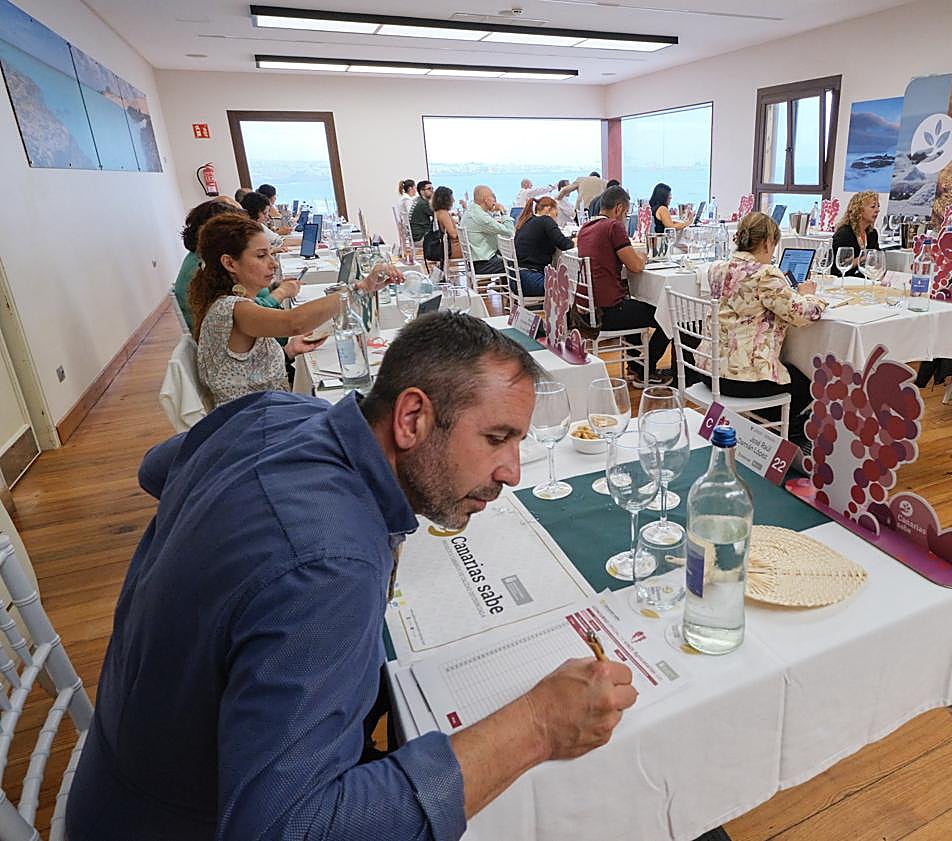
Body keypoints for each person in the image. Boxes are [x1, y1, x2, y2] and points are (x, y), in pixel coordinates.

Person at [67, 312, 638, 840]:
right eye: (496, 438)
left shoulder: (271, 411)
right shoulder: (329, 567)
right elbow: (288, 829)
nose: (511, 471)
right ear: (411, 419)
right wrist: (538, 724)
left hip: (119, 765)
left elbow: (156, 469)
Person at [188, 214, 395, 405]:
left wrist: (288, 352)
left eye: (271, 254)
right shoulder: (232, 308)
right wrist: (361, 287)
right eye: (261, 256)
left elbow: (243, 369)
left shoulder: (230, 303)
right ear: (230, 263)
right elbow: (294, 322)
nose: (273, 264)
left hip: (263, 409)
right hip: (255, 419)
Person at [698, 212, 825, 447]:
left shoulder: (716, 268)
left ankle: (762, 426)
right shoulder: (765, 274)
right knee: (809, 384)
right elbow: (802, 314)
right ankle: (781, 437)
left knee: (791, 375)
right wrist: (810, 296)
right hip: (742, 378)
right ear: (767, 242)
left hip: (709, 370)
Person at [576, 185, 670, 384]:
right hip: (608, 313)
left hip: (587, 311)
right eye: (626, 214)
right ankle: (645, 369)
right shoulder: (613, 227)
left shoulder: (585, 228)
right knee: (670, 314)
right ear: (618, 209)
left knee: (634, 305)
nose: (626, 218)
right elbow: (635, 266)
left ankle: (636, 366)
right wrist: (643, 257)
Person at [174, 199, 300, 332]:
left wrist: (273, 287)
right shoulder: (206, 269)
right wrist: (281, 292)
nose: (274, 264)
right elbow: (248, 313)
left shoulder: (203, 260)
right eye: (260, 255)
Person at [514, 196, 574, 296]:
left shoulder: (526, 221)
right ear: (548, 209)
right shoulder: (546, 220)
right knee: (571, 287)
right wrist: (576, 241)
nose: (556, 218)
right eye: (556, 213)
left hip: (516, 281)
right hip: (532, 280)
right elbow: (565, 244)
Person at [463, 185, 515, 275]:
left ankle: (504, 284)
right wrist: (503, 212)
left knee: (507, 259)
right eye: (493, 197)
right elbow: (510, 231)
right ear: (486, 200)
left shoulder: (471, 210)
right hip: (484, 264)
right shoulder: (481, 217)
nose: (495, 200)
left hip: (475, 262)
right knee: (517, 263)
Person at [830, 191, 881, 277]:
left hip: (865, 279)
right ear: (859, 210)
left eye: (878, 206)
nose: (877, 210)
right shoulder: (844, 233)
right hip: (844, 279)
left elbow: (877, 259)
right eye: (873, 207)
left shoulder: (872, 233)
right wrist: (862, 259)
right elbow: (839, 267)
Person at [431, 186, 462, 262]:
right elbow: (453, 234)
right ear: (446, 199)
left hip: (446, 247)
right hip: (452, 248)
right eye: (452, 197)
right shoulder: (443, 213)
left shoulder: (437, 212)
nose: (453, 200)